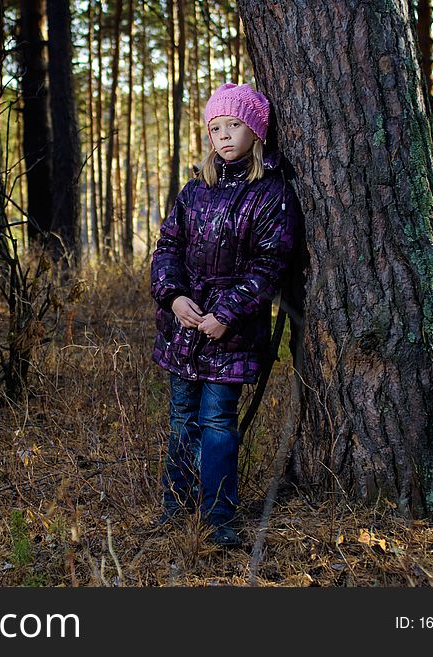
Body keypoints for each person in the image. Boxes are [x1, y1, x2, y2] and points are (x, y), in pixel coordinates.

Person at [150, 82, 299, 547]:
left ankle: (218, 519)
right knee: (181, 417)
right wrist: (172, 298)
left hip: (229, 335)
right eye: (216, 128)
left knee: (217, 422)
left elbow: (270, 265)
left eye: (235, 125)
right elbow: (167, 248)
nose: (225, 136)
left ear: (256, 130)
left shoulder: (272, 194)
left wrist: (227, 314)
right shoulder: (194, 190)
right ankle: (176, 507)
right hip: (184, 327)